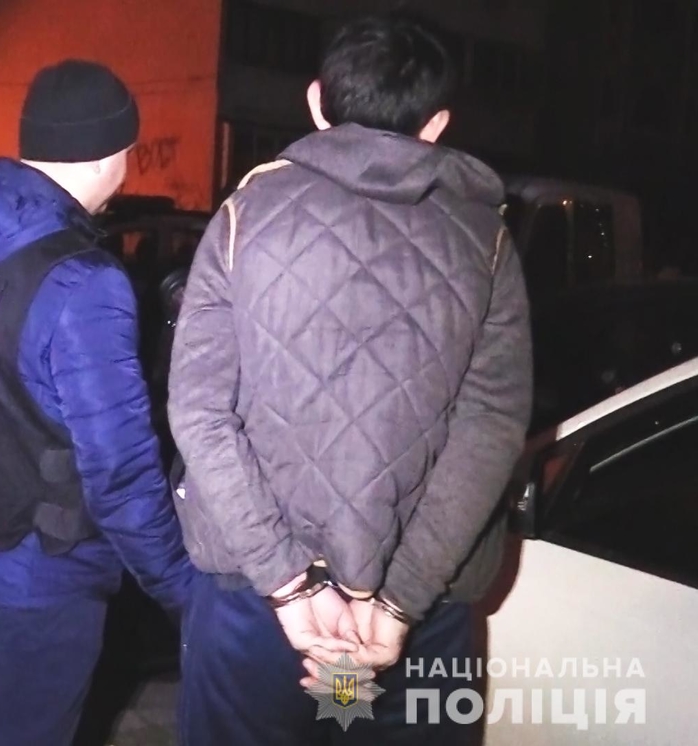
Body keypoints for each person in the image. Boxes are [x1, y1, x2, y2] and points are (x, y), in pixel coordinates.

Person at [167, 13, 532, 746]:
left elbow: (201, 414)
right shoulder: (487, 242)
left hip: (258, 606)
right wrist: (396, 603)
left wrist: (289, 583)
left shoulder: (245, 216)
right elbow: (490, 430)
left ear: (315, 102)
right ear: (436, 124)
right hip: (419, 611)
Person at [0, 60, 194, 746]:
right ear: (105, 156)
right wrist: (187, 594)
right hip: (36, 575)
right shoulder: (85, 282)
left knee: (8, 719)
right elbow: (120, 473)